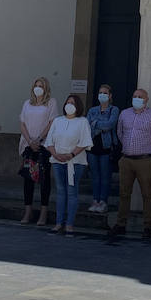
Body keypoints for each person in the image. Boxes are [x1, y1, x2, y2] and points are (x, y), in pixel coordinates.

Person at [110, 88, 151, 243]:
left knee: (146, 194)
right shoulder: (124, 114)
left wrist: (148, 150)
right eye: (135, 96)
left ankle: (147, 226)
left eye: (140, 97)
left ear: (146, 100)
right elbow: (120, 133)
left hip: (144, 160)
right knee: (124, 193)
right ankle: (121, 224)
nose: (137, 99)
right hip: (126, 159)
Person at [44, 94, 93, 235]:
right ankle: (59, 223)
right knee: (60, 191)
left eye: (72, 103)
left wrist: (71, 155)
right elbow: (49, 141)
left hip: (75, 162)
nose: (69, 105)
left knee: (72, 192)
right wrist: (55, 154)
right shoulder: (58, 121)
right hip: (57, 161)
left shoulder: (82, 121)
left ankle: (69, 224)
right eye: (68, 102)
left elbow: (85, 141)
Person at [19, 76, 57, 227]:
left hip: (44, 145)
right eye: (36, 85)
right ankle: (28, 211)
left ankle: (43, 212)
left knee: (44, 179)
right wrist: (30, 141)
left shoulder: (51, 102)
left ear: (46, 88)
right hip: (28, 145)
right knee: (28, 178)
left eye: (41, 85)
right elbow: (22, 123)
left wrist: (39, 139)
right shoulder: (27, 103)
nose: (38, 88)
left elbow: (52, 122)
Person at [87, 84, 120, 215]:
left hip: (106, 147)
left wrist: (95, 123)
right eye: (100, 93)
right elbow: (87, 125)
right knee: (95, 176)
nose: (102, 95)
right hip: (92, 147)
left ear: (110, 96)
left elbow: (109, 125)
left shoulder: (114, 110)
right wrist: (98, 124)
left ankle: (103, 202)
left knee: (105, 176)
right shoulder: (92, 110)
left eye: (105, 93)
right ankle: (95, 200)